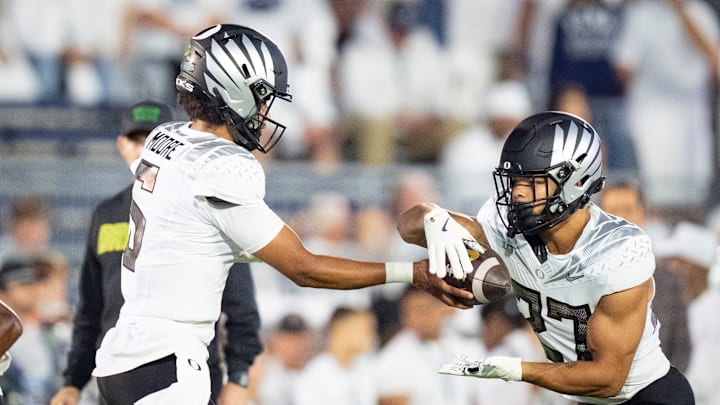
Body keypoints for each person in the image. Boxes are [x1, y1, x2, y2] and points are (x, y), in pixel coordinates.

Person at [91, 24, 470, 405]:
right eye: (261, 96)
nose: (265, 110)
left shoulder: (163, 138)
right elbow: (303, 268)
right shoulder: (221, 165)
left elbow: (201, 233)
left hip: (124, 357)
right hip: (164, 365)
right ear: (230, 89)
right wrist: (412, 273)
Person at [397, 111, 695, 404]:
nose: (518, 195)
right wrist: (432, 219)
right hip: (587, 400)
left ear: (575, 181)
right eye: (514, 181)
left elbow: (608, 379)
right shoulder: (504, 225)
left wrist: (515, 369)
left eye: (533, 182)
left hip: (646, 395)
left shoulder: (617, 251)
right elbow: (409, 227)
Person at [50, 100, 264, 405]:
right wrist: (73, 382)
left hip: (185, 372)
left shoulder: (200, 203)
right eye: (136, 139)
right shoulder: (107, 214)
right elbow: (91, 310)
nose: (144, 149)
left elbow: (240, 305)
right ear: (121, 145)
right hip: (118, 374)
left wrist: (239, 378)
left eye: (153, 139)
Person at [598, 179, 691, 371]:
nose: (621, 219)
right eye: (613, 211)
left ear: (643, 215)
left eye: (628, 210)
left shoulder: (667, 280)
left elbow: (681, 346)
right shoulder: (580, 276)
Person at [655, 221, 720, 405]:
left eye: (674, 262)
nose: (667, 269)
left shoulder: (714, 313)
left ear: (693, 266)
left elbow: (701, 382)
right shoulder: (686, 307)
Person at [292, 306, 378, 405]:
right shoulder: (315, 375)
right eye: (363, 329)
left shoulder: (365, 368)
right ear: (340, 329)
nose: (370, 336)